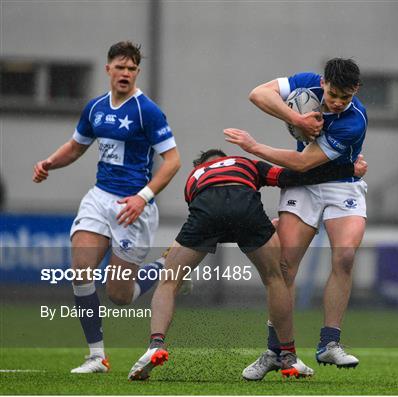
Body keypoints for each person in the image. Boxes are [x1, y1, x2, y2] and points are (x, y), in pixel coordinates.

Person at [127, 148, 367, 381]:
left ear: (201, 165)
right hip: (247, 208)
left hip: (206, 210)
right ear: (227, 158)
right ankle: (289, 355)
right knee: (276, 278)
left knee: (169, 282)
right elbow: (291, 177)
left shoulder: (195, 176)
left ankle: (155, 345)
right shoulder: (244, 163)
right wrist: (347, 170)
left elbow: (214, 225)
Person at [32, 41, 181, 373]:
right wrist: (49, 163)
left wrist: (143, 196)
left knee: (119, 295)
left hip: (134, 208)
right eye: (120, 67)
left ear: (137, 73)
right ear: (108, 69)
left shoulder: (147, 111)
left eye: (132, 68)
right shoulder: (96, 107)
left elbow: (173, 161)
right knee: (81, 270)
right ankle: (96, 356)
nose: (125, 73)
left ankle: (164, 264)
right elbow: (76, 146)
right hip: (99, 199)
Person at [224, 57, 368, 377]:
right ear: (323, 83)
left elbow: (303, 163)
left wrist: (254, 146)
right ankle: (277, 351)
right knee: (285, 266)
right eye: (332, 95)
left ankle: (330, 344)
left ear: (355, 90)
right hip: (303, 188)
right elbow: (258, 94)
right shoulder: (307, 82)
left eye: (345, 97)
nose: (338, 102)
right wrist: (297, 119)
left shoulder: (353, 120)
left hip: (340, 184)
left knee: (344, 256)